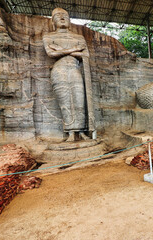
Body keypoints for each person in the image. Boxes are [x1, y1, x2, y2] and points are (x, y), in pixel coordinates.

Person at [43, 8, 95, 141]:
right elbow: (51, 53)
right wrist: (74, 49)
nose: (62, 18)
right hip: (59, 70)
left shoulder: (78, 37)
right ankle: (70, 133)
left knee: (79, 100)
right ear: (53, 21)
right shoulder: (48, 36)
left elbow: (85, 55)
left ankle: (81, 132)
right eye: (58, 16)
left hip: (74, 69)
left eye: (65, 16)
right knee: (65, 100)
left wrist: (62, 50)